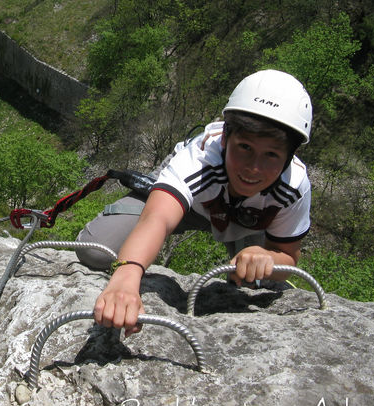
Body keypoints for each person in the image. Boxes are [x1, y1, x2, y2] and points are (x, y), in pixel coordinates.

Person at [76, 69, 313, 336]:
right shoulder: (199, 161)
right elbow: (158, 218)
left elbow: (288, 255)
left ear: (291, 155)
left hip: (247, 222)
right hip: (189, 203)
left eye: (271, 154)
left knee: (257, 280)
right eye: (244, 147)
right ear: (224, 137)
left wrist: (268, 259)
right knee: (95, 251)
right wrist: (126, 277)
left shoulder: (293, 186)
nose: (253, 168)